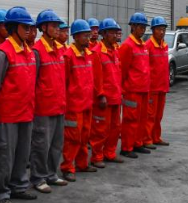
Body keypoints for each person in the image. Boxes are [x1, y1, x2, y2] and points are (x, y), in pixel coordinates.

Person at [0, 6, 38, 203]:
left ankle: (19, 185)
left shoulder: (28, 51)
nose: (28, 30)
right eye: (24, 26)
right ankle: (0, 193)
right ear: (13, 28)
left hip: (26, 112)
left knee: (22, 152)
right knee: (4, 155)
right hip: (7, 114)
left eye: (29, 26)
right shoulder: (3, 53)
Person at [30, 9, 68, 191]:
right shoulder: (37, 51)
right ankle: (38, 178)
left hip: (59, 104)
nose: (57, 29)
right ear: (43, 28)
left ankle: (52, 174)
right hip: (43, 107)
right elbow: (32, 80)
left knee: (56, 144)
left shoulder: (60, 50)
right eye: (53, 26)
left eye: (57, 26)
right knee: (41, 145)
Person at [60, 19, 96, 181]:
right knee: (72, 138)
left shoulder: (89, 55)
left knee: (84, 136)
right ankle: (68, 167)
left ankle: (82, 163)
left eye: (89, 35)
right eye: (85, 36)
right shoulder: (68, 56)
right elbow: (64, 82)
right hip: (73, 107)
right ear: (76, 37)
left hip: (87, 104)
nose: (88, 39)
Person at [91, 17, 124, 165]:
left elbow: (118, 73)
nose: (115, 35)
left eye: (116, 32)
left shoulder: (115, 50)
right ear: (103, 34)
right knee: (100, 129)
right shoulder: (96, 52)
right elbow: (95, 78)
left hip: (116, 96)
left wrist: (120, 92)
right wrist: (101, 95)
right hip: (103, 99)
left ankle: (110, 153)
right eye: (111, 32)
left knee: (115, 128)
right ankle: (97, 156)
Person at [118, 12, 151, 158]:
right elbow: (122, 70)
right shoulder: (127, 46)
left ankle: (138, 143)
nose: (143, 29)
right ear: (133, 27)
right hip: (132, 90)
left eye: (144, 27)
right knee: (130, 120)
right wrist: (124, 89)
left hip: (143, 89)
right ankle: (126, 147)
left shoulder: (143, 45)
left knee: (142, 119)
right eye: (140, 27)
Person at [145, 16, 171, 148]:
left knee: (159, 115)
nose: (161, 32)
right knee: (150, 115)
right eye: (159, 29)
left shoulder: (165, 45)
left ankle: (156, 137)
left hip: (162, 86)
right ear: (153, 30)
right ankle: (147, 139)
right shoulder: (148, 46)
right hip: (152, 87)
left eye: (163, 29)